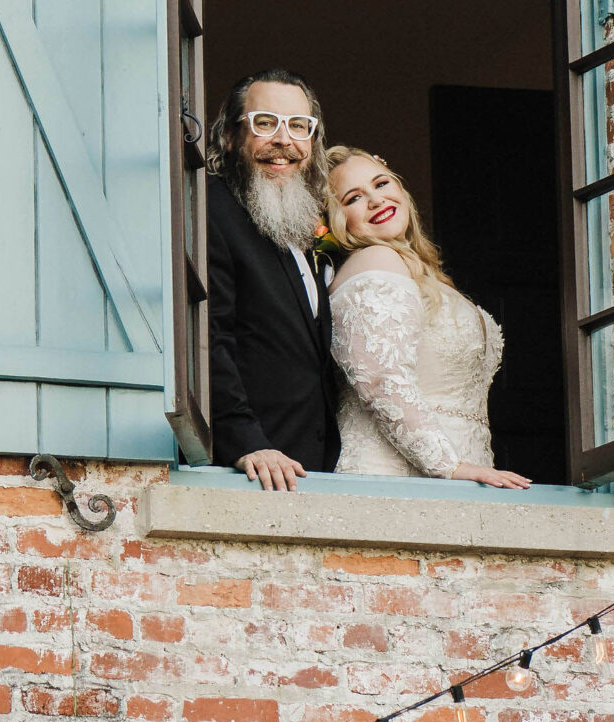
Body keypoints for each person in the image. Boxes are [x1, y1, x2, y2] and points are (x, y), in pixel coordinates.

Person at [323, 146, 530, 488]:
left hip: (462, 475)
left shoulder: (423, 274)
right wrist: (450, 465)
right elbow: (380, 380)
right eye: (354, 198)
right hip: (399, 475)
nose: (376, 200)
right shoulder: (375, 261)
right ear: (336, 220)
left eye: (381, 183)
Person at [206, 69, 339, 491]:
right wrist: (247, 441)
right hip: (250, 473)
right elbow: (207, 336)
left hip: (309, 473)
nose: (284, 140)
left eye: (299, 126)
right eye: (265, 123)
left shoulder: (300, 222)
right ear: (230, 136)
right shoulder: (213, 209)